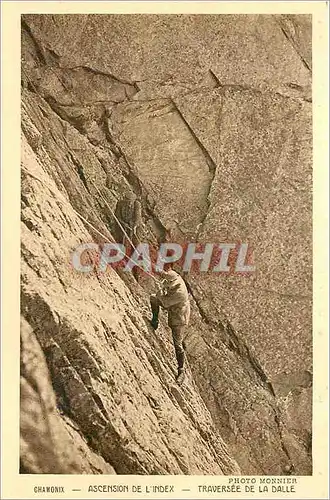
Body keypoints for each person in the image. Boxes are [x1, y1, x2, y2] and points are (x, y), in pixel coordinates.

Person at [150, 267, 190, 385]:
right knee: (153, 299)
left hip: (179, 318)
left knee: (177, 343)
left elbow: (165, 302)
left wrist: (161, 292)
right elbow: (164, 275)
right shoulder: (175, 276)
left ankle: (181, 370)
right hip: (174, 310)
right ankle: (155, 321)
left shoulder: (179, 293)